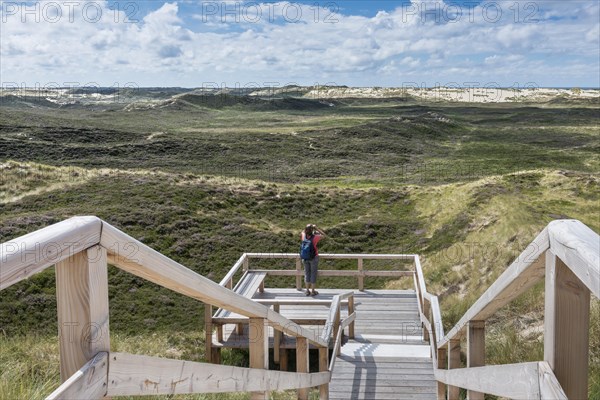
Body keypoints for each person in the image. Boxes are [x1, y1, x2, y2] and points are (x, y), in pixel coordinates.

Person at [300, 224, 326, 296]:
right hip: (314, 258)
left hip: (305, 258)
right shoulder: (315, 237)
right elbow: (324, 235)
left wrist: (307, 227)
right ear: (312, 230)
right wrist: (316, 228)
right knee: (313, 273)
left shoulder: (303, 236)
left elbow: (302, 232)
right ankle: (313, 291)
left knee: (307, 273)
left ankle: (307, 291)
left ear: (305, 230)